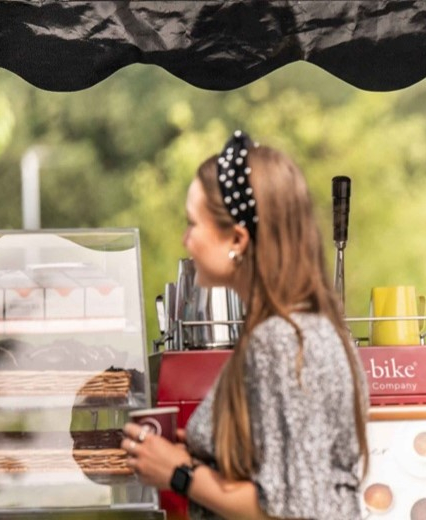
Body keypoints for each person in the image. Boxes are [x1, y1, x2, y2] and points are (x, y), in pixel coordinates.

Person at [122, 130, 368, 519]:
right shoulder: (309, 329)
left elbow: (293, 510)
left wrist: (179, 473)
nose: (185, 240)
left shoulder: (280, 341)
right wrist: (212, 451)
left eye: (192, 223)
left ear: (237, 238)